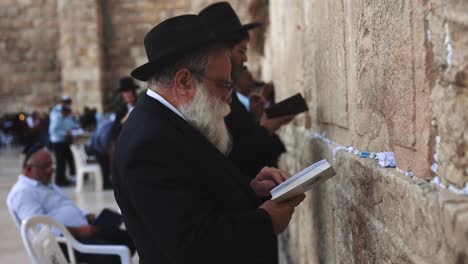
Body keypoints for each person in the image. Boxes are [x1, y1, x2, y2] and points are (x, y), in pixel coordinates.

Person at [112, 14, 305, 264]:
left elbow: (197, 194)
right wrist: (265, 221)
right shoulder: (149, 144)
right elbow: (191, 244)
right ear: (184, 81)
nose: (229, 96)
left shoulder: (174, 120)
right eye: (224, 84)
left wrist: (249, 191)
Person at [199, 2, 294, 180]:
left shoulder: (227, 92)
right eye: (241, 50)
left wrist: (255, 117)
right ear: (223, 53)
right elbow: (229, 159)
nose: (245, 59)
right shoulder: (207, 98)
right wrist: (266, 128)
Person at [6, 143, 135, 264]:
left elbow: (67, 205)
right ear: (29, 168)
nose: (50, 170)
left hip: (82, 229)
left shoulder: (46, 184)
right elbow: (42, 230)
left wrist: (87, 217)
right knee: (116, 253)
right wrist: (79, 231)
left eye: (52, 165)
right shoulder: (23, 192)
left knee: (130, 238)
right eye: (45, 166)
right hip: (64, 243)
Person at [49, 98, 77, 186]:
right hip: (57, 141)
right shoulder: (57, 117)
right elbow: (52, 130)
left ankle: (63, 179)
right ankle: (59, 181)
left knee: (64, 161)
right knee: (60, 162)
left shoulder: (64, 116)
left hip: (63, 141)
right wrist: (65, 133)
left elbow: (70, 124)